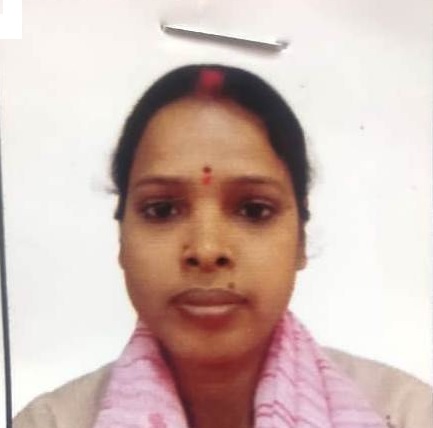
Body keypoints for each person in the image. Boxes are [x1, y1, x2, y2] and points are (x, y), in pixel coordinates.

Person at [13, 65, 432, 428]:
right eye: (161, 210)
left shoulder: (406, 415)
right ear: (121, 239)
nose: (207, 249)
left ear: (301, 241)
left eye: (253, 210)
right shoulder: (50, 422)